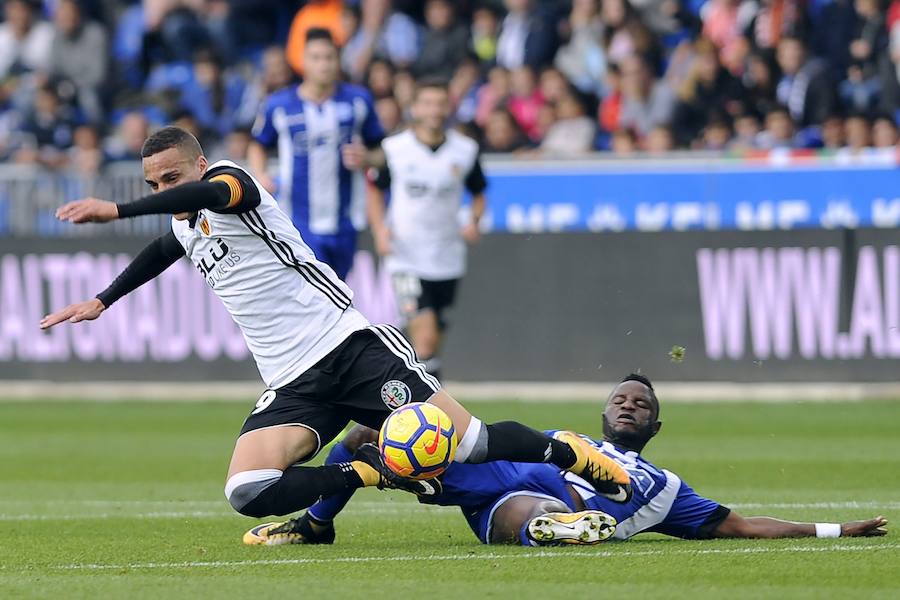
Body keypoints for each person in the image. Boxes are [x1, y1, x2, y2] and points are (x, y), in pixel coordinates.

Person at [40, 126, 632, 545]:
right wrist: (102, 299)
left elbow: (207, 197)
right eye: (153, 183)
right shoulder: (185, 222)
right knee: (247, 489)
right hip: (291, 382)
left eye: (172, 179)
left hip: (349, 349)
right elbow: (166, 248)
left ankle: (570, 452)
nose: (164, 191)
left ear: (198, 166)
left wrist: (118, 209)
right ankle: (365, 475)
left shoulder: (230, 184)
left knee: (471, 442)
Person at [291, 374, 888, 547]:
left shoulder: (665, 488)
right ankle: (317, 522)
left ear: (655, 425)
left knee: (533, 506)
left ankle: (555, 529)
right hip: (486, 469)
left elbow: (739, 525)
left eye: (641, 404)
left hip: (518, 502)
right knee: (369, 429)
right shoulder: (561, 437)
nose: (629, 406)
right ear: (604, 414)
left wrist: (836, 527)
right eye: (620, 399)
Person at [367, 81, 486, 381]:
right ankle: (432, 409)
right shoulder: (395, 150)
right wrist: (380, 229)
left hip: (447, 256)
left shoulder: (465, 150)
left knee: (431, 344)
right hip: (406, 256)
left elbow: (479, 193)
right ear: (415, 108)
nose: (434, 110)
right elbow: (374, 191)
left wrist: (473, 220)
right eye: (428, 103)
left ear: (448, 107)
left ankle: (407, 395)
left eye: (440, 103)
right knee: (426, 339)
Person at [248, 28, 383, 279]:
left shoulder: (358, 101)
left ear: (338, 60)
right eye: (316, 57)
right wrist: (261, 174)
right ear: (303, 61)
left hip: (345, 221)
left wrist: (367, 158)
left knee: (337, 292)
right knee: (313, 291)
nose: (323, 64)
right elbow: (257, 144)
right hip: (297, 218)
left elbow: (380, 152)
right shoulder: (279, 105)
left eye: (329, 57)